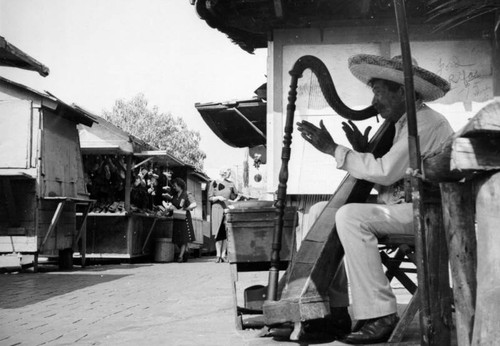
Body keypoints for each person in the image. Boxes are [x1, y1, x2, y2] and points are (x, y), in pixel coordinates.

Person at [296, 54, 453, 344]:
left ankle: (381, 315)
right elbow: (391, 170)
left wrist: (334, 149)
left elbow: (384, 172)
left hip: (429, 212)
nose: (374, 103)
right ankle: (336, 310)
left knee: (349, 216)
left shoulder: (425, 123)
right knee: (319, 210)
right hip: (405, 208)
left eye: (379, 93)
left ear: (403, 91)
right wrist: (363, 150)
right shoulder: (404, 124)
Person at [208, 167, 240, 263]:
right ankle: (218, 255)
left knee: (226, 232)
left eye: (227, 172)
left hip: (227, 208)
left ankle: (223, 255)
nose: (225, 173)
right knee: (218, 232)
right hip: (216, 209)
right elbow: (210, 198)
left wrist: (233, 202)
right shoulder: (214, 182)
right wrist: (217, 197)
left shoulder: (231, 184)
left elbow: (237, 195)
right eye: (224, 172)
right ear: (220, 172)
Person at [166, 177, 197, 263]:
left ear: (180, 185)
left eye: (175, 185)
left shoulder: (187, 194)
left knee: (184, 238)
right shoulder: (175, 196)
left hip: (184, 218)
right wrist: (169, 209)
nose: (174, 187)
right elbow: (173, 206)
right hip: (177, 218)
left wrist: (186, 208)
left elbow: (194, 204)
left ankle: (180, 256)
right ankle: (185, 251)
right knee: (176, 239)